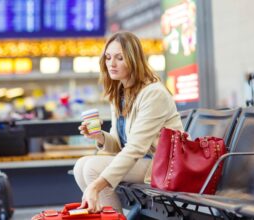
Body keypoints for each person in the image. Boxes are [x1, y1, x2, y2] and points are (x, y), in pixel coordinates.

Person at [73, 32, 183, 213]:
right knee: (81, 166)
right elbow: (118, 145)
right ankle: (110, 216)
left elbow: (135, 149)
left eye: (119, 58)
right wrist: (100, 136)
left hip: (162, 165)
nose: (111, 63)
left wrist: (96, 186)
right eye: (108, 57)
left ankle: (113, 217)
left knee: (92, 169)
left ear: (133, 60)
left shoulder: (153, 93)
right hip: (140, 162)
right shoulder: (120, 93)